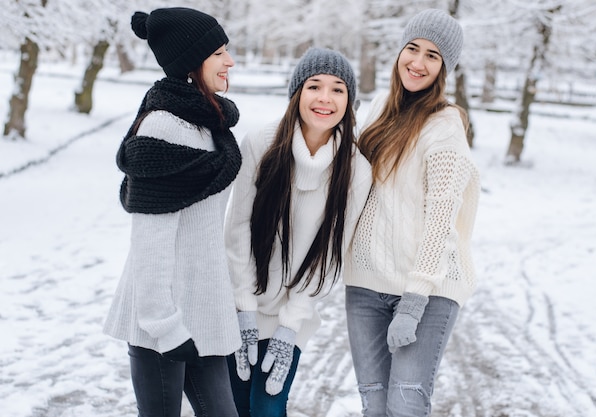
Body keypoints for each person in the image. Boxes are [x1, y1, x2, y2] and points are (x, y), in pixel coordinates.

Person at [103, 7, 242, 417]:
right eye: (218, 53)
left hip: (204, 312)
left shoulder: (212, 126)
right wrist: (163, 324)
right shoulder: (163, 127)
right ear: (190, 61)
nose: (229, 61)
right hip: (162, 322)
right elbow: (150, 240)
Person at [343, 9, 481, 417]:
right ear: (400, 50)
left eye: (433, 56)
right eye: (413, 48)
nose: (418, 63)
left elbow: (440, 219)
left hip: (427, 288)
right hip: (366, 285)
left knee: (405, 404)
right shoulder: (380, 108)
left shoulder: (446, 125)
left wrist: (414, 300)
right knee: (374, 405)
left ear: (444, 68)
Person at [224, 47, 372, 417]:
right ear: (297, 93)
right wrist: (244, 309)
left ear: (349, 101)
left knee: (267, 407)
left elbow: (331, 256)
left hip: (293, 312)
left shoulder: (356, 170)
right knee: (234, 406)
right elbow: (237, 227)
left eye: (338, 89)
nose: (325, 98)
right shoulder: (261, 143)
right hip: (240, 303)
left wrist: (290, 328)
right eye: (314, 86)